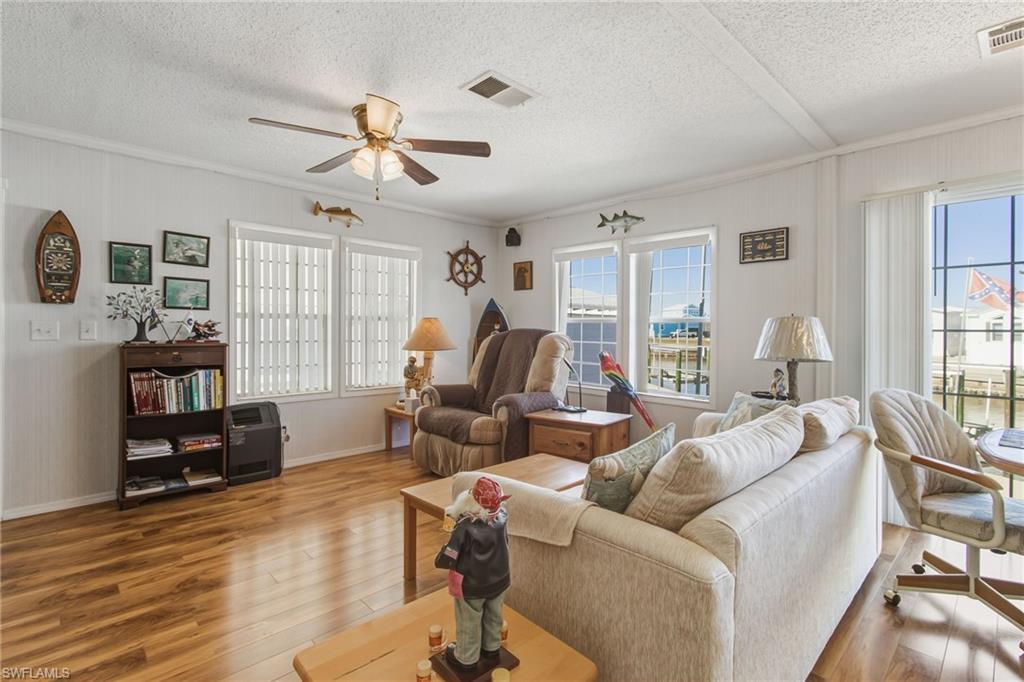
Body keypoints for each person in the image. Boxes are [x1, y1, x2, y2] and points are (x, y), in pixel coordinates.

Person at [434, 477, 511, 671]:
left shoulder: (465, 527)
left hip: (471, 584)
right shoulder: (502, 516)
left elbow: (450, 555)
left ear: (472, 500)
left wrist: (440, 558)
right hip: (499, 578)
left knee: (469, 619)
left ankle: (466, 658)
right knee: (494, 615)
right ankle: (491, 649)